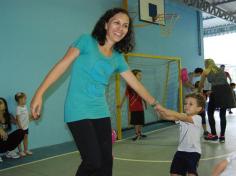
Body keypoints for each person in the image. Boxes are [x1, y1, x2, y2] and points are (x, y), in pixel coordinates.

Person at [30, 8, 160, 176]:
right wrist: (39, 93)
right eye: (116, 23)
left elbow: (136, 84)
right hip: (77, 110)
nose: (120, 28)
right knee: (93, 161)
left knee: (106, 162)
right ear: (106, 24)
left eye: (125, 26)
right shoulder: (86, 41)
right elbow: (62, 65)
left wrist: (157, 105)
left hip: (100, 111)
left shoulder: (118, 57)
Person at [156, 93, 205, 176]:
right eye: (185, 104)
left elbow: (181, 117)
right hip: (181, 150)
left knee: (191, 174)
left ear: (198, 108)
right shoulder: (183, 116)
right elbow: (165, 117)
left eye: (191, 104)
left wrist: (164, 109)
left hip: (193, 152)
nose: (187, 106)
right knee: (174, 173)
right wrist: (158, 109)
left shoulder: (197, 118)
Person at [198, 59, 236, 143]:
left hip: (216, 90)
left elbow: (201, 84)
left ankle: (214, 134)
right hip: (227, 91)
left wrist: (198, 91)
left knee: (210, 112)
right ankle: (222, 136)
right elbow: (222, 82)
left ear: (206, 64)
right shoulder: (220, 70)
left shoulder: (206, 70)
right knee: (222, 114)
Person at [119, 69, 147, 141]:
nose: (141, 76)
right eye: (139, 75)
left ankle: (140, 133)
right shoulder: (130, 85)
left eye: (141, 75)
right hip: (133, 107)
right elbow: (125, 95)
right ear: (134, 76)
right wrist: (121, 104)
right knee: (136, 122)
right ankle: (137, 134)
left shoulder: (140, 84)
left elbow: (143, 94)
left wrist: (145, 102)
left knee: (140, 122)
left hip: (140, 107)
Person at [0, 97, 24, 162]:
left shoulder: (8, 116)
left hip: (4, 142)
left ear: (5, 105)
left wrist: (32, 117)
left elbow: (17, 122)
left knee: (21, 132)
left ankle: (9, 151)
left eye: (0, 103)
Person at [15, 92, 33, 157]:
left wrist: (32, 116)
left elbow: (27, 115)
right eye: (23, 99)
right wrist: (20, 127)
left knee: (25, 137)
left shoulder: (25, 106)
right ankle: (20, 151)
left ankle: (26, 150)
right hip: (20, 127)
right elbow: (17, 118)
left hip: (26, 126)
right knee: (19, 139)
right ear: (19, 100)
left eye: (25, 99)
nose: (24, 100)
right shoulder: (18, 108)